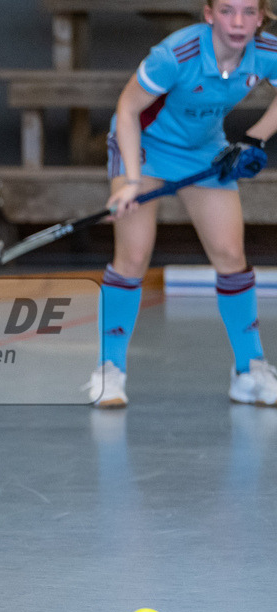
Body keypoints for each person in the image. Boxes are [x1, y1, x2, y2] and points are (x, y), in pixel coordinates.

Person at [92, 0, 277, 408]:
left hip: (202, 151)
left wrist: (254, 137)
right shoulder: (176, 54)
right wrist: (131, 183)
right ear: (208, 14)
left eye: (249, 12)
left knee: (231, 254)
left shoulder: (266, 53)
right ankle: (109, 370)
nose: (239, 22)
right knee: (134, 257)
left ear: (261, 17)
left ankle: (249, 371)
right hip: (144, 147)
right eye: (228, 11)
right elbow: (126, 109)